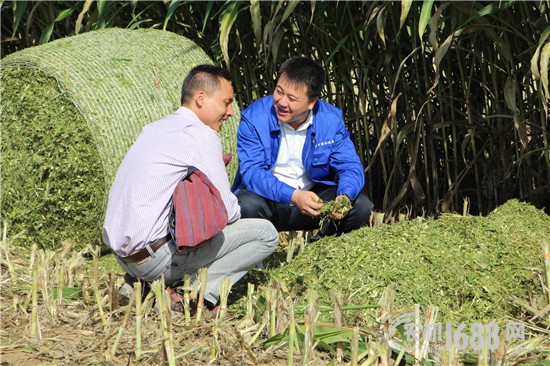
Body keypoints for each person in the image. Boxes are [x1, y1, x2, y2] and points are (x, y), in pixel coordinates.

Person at [102, 64, 279, 312]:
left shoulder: (155, 128)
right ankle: (196, 297)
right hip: (155, 259)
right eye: (226, 103)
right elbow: (227, 212)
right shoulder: (201, 136)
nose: (230, 112)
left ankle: (141, 284)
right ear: (200, 99)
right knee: (265, 234)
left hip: (124, 257)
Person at [232, 56, 373, 242]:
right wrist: (294, 196)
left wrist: (345, 196)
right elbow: (252, 172)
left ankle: (324, 250)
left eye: (292, 98)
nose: (282, 102)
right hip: (269, 200)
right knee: (245, 205)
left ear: (312, 102)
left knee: (360, 205)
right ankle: (256, 258)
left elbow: (350, 166)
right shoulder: (254, 119)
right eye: (279, 92)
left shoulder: (330, 120)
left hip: (314, 200)